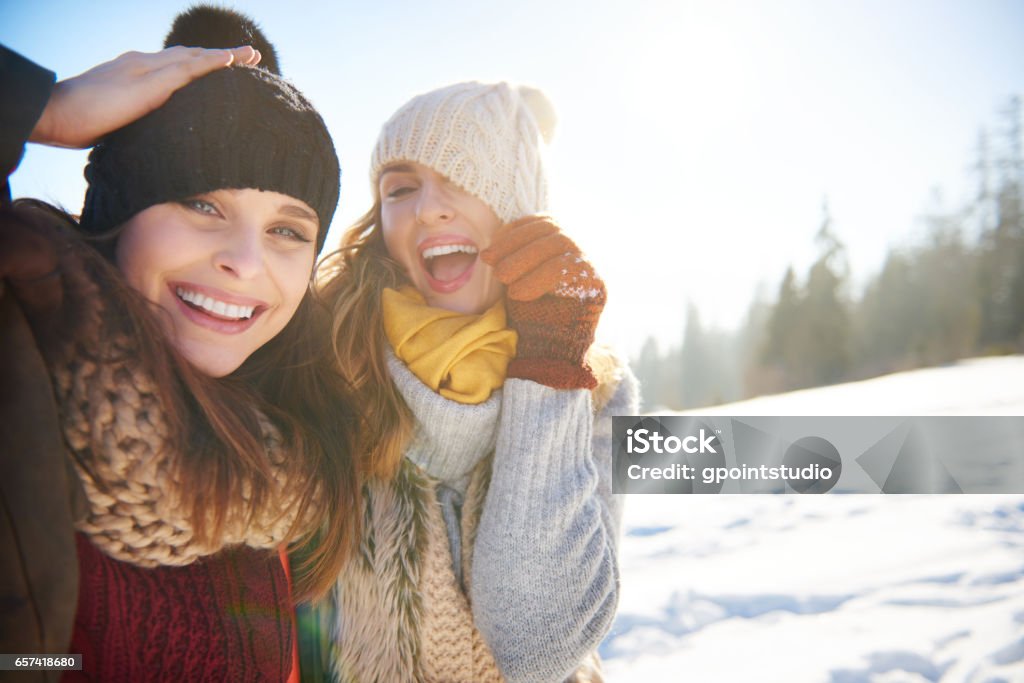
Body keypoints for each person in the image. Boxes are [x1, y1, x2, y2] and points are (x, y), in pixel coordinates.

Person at [0, 7, 362, 680]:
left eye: (288, 229)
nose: (246, 262)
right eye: (201, 203)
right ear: (117, 214)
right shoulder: (18, 376)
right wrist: (43, 108)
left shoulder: (289, 465)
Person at [311, 81, 639, 682]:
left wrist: (551, 370)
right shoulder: (324, 364)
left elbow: (539, 648)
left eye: (461, 178)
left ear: (520, 209)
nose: (426, 208)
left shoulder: (594, 390)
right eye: (400, 189)